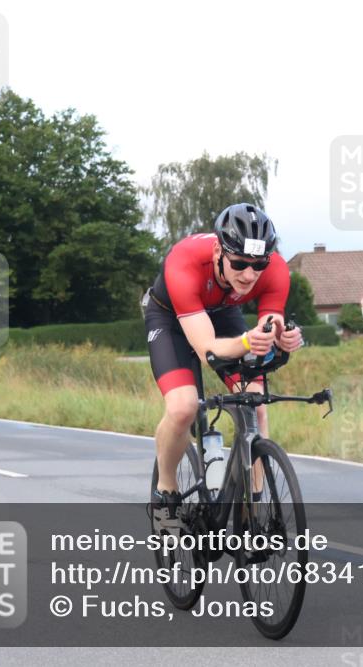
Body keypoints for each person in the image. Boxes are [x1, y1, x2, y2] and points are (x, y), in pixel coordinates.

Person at [143, 203, 303, 518]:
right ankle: (165, 490)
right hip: (170, 318)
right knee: (183, 407)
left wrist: (285, 339)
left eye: (258, 266)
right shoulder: (185, 262)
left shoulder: (275, 270)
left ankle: (251, 510)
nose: (249, 275)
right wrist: (246, 341)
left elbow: (270, 327)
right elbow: (207, 350)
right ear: (219, 250)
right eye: (240, 263)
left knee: (256, 402)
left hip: (222, 313)